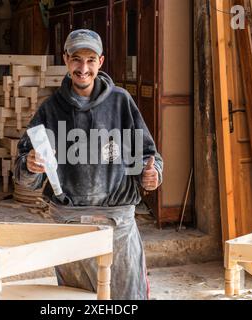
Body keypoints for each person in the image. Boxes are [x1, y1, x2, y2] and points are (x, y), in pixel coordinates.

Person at [14, 29, 163, 300]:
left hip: (117, 221)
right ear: (66, 59)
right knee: (76, 298)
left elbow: (148, 156)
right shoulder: (50, 109)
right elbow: (24, 173)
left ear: (101, 62)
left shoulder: (121, 102)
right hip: (69, 220)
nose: (83, 68)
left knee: (127, 298)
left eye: (91, 60)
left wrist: (152, 175)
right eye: (77, 59)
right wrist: (30, 165)